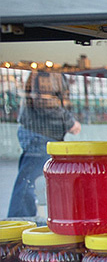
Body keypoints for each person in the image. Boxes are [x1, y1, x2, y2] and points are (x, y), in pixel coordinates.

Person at [7, 70, 80, 217]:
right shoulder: (46, 72)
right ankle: (19, 222)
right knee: (29, 183)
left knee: (31, 181)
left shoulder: (48, 71)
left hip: (40, 132)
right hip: (41, 133)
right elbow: (44, 101)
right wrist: (69, 122)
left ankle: (22, 219)